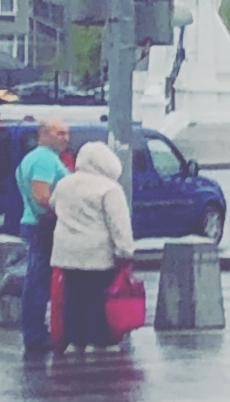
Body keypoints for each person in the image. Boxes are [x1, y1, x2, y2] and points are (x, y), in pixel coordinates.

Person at [48, 137, 137, 355]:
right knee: (97, 298)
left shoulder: (65, 184)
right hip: (97, 253)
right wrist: (125, 251)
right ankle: (99, 340)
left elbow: (53, 205)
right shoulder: (110, 189)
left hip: (67, 252)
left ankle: (74, 340)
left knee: (73, 296)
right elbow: (118, 224)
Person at [14, 117, 73, 357]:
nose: (66, 138)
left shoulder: (35, 158)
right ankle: (36, 335)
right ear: (44, 135)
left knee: (37, 280)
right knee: (38, 282)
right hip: (42, 226)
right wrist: (67, 211)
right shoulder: (44, 159)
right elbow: (41, 195)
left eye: (67, 133)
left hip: (34, 223)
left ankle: (36, 332)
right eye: (60, 133)